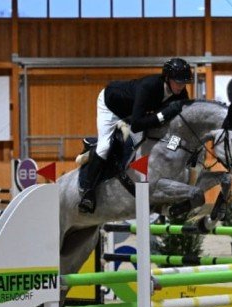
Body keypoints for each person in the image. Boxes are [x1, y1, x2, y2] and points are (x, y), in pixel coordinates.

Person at [78, 57, 193, 214]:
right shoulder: (149, 86)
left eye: (184, 82)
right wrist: (162, 115)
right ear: (167, 78)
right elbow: (138, 125)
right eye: (178, 81)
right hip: (111, 106)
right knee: (105, 146)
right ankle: (87, 191)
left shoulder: (180, 94)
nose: (181, 86)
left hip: (135, 113)